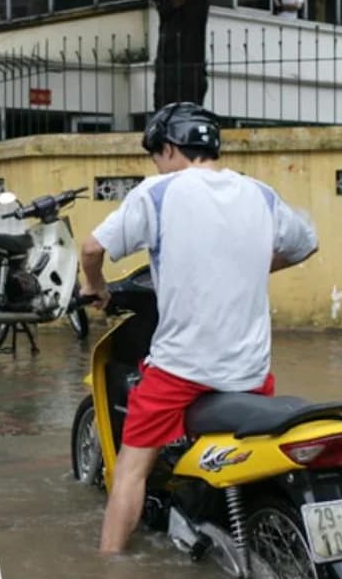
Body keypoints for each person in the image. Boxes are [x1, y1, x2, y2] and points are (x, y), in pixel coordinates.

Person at [79, 102, 319, 554]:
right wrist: (251, 267)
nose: (157, 165)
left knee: (130, 469)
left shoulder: (159, 193)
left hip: (180, 371)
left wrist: (96, 290)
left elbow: (93, 248)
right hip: (250, 372)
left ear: (169, 149)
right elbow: (306, 243)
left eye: (156, 155)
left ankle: (109, 571)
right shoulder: (260, 193)